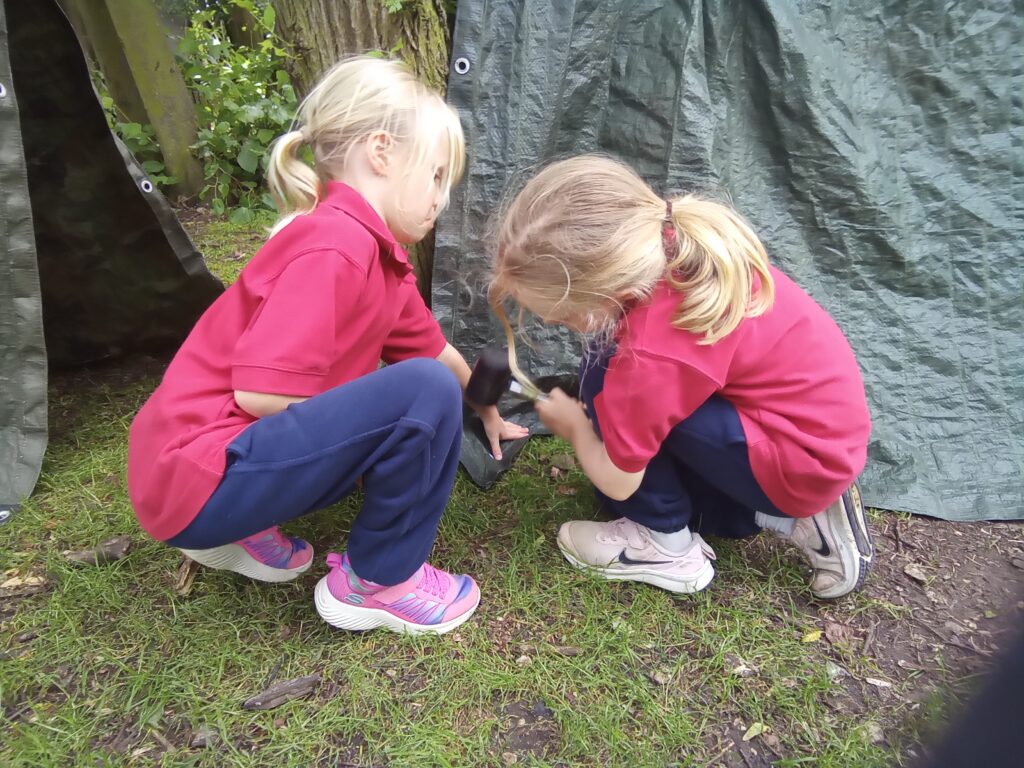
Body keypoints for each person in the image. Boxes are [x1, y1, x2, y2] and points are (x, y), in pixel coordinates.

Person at [127, 56, 527, 635]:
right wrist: (376, 415)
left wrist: (483, 405)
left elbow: (435, 351)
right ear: (381, 152)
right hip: (197, 477)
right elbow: (261, 391)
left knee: (426, 384)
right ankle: (381, 581)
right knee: (421, 393)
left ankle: (246, 526)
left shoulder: (379, 257)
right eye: (437, 175)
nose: (442, 198)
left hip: (191, 480)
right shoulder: (335, 245)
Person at [488, 155, 873, 599]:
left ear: (599, 290)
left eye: (559, 316)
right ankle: (797, 518)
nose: (554, 325)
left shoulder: (650, 353)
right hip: (820, 436)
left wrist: (575, 428)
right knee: (605, 380)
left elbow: (619, 476)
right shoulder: (670, 240)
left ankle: (664, 545)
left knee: (607, 404)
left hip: (800, 460)